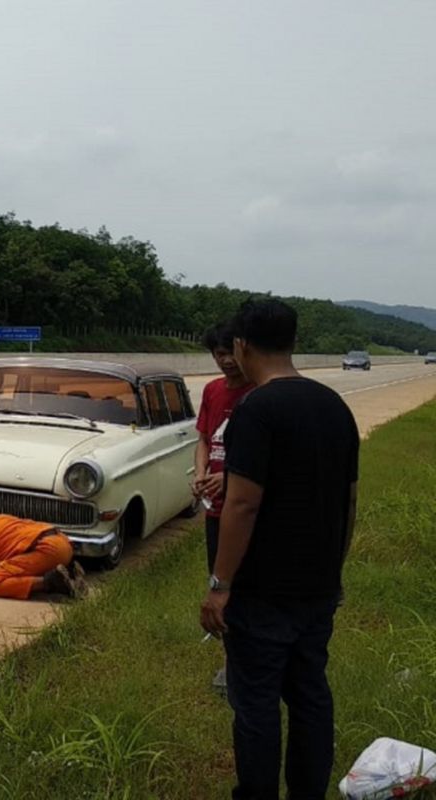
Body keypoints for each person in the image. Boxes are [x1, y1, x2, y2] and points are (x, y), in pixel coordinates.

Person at [200, 298, 360, 800]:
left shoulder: (257, 409)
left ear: (243, 346)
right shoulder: (334, 406)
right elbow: (348, 502)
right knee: (311, 696)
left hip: (262, 591)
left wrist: (219, 586)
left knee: (256, 703)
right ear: (293, 343)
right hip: (317, 587)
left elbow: (242, 504)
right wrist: (334, 568)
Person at [193, 321, 254, 693]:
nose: (226, 361)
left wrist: (229, 479)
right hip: (214, 510)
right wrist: (200, 473)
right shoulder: (213, 391)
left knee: (244, 586)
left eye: (231, 353)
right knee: (218, 585)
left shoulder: (257, 394)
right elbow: (202, 439)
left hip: (243, 508)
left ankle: (244, 666)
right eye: (219, 354)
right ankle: (231, 664)